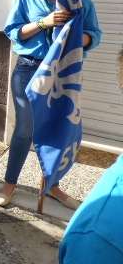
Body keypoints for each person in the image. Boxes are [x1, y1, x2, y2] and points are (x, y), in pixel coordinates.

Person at [0, 0, 102, 209]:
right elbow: (13, 31)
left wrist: (73, 35)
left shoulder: (79, 2)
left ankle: (51, 185)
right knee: (25, 129)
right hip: (28, 70)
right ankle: (9, 183)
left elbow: (95, 35)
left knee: (57, 128)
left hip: (62, 73)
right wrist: (45, 22)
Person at [59, 52, 123, 263]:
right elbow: (16, 34)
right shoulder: (98, 235)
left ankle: (52, 184)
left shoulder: (97, 234)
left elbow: (92, 37)